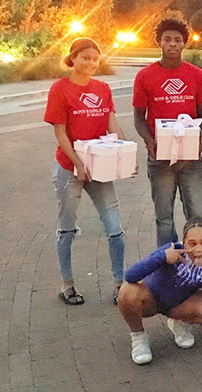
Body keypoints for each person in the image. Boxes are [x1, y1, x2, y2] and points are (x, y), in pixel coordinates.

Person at [45, 38, 126, 306]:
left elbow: (112, 123)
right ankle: (67, 284)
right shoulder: (60, 89)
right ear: (73, 58)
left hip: (99, 167)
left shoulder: (102, 88)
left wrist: (123, 153)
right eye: (85, 57)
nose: (91, 63)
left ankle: (119, 283)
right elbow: (60, 131)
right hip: (70, 167)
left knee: (114, 227)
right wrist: (77, 162)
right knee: (67, 227)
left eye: (95, 58)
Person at [117, 217, 202, 365]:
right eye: (192, 243)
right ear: (184, 241)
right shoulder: (172, 249)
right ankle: (138, 336)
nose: (198, 249)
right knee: (126, 292)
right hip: (151, 300)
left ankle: (179, 323)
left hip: (178, 305)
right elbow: (130, 275)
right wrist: (162, 257)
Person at [133, 18, 202, 247]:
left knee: (197, 214)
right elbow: (139, 117)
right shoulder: (145, 76)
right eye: (167, 39)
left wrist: (197, 137)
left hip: (190, 158)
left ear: (184, 43)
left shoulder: (196, 75)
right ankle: (167, 264)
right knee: (164, 218)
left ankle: (198, 262)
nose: (173, 44)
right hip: (160, 157)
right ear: (159, 42)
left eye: (177, 40)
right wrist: (149, 141)